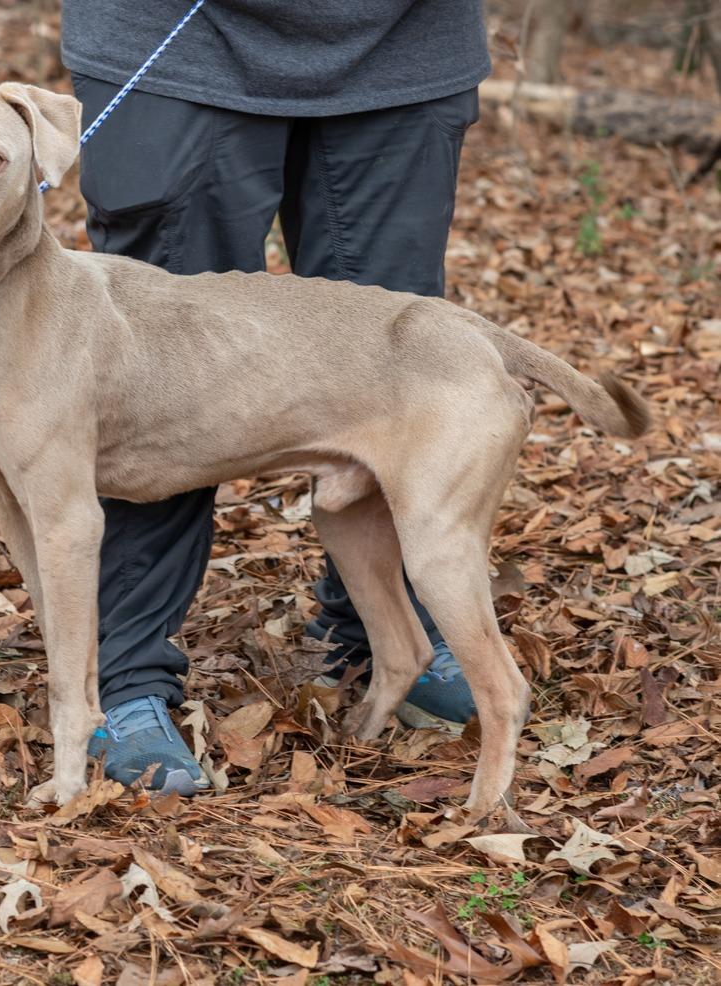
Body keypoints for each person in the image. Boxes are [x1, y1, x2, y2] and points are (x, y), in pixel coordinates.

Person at [60, 0, 490, 795]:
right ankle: (127, 682)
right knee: (162, 379)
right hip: (175, 43)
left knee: (393, 378)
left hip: (401, 51)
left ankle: (381, 637)